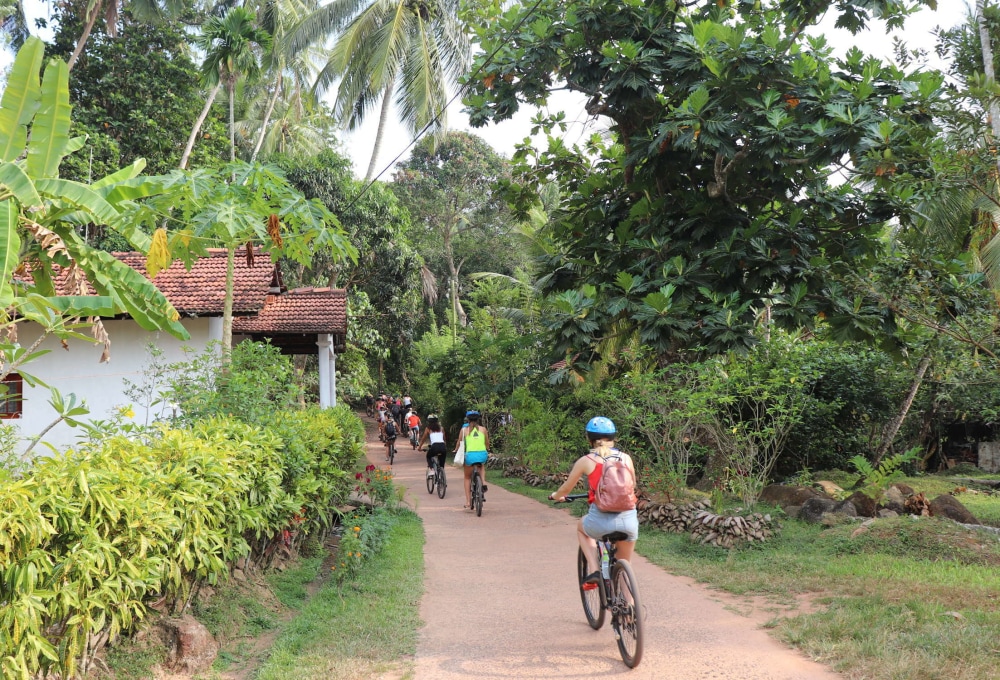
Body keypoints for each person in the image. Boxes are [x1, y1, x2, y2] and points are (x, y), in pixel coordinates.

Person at [548, 416, 638, 591]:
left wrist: (556, 496)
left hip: (600, 521)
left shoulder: (586, 461)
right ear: (614, 437)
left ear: (589, 438)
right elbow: (632, 486)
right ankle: (631, 609)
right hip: (628, 521)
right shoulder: (626, 459)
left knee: (581, 527)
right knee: (625, 565)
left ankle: (595, 570)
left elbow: (565, 490)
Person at [459, 410, 490, 510]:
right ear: (478, 419)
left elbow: (459, 443)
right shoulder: (483, 429)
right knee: (481, 465)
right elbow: (487, 443)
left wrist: (455, 450)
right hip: (482, 455)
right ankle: (483, 482)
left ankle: (468, 502)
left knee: (467, 477)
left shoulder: (464, 430)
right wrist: (487, 448)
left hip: (470, 457)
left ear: (467, 419)